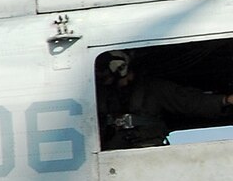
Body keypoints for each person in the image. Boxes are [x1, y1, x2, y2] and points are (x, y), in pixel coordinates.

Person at [97, 50, 233, 150]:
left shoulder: (153, 88)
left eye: (105, 77)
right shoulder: (103, 95)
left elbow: (189, 102)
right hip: (114, 151)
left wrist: (225, 100)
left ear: (119, 70)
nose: (104, 82)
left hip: (147, 149)